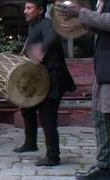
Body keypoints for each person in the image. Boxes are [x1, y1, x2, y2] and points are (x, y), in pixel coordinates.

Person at [12, 0, 76, 166]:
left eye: (29, 8)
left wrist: (42, 48)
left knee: (47, 117)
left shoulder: (47, 24)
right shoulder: (33, 26)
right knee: (27, 107)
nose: (25, 11)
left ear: (40, 10)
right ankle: (30, 143)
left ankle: (53, 156)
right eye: (24, 8)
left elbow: (53, 37)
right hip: (40, 79)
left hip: (53, 78)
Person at [55, 0, 110, 178]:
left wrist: (81, 13)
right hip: (103, 70)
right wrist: (80, 23)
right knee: (100, 117)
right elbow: (102, 28)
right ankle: (104, 166)